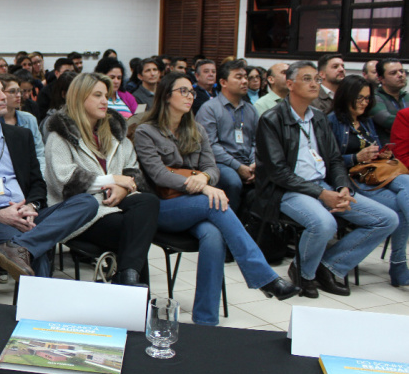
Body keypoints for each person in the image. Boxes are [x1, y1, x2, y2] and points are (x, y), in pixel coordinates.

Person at [134, 72, 299, 325]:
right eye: (183, 91)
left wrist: (206, 181)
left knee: (213, 235)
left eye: (192, 91)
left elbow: (213, 169)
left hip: (195, 207)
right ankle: (265, 278)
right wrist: (202, 186)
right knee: (215, 204)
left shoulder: (196, 129)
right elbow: (158, 175)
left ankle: (206, 319)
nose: (190, 96)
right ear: (166, 96)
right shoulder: (146, 131)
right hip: (163, 208)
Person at [254, 61, 398, 298]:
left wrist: (341, 187)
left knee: (386, 219)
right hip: (286, 190)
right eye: (307, 79)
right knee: (325, 223)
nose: (314, 84)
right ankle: (305, 273)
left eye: (317, 80)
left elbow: (334, 160)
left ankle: (329, 266)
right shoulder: (272, 119)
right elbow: (278, 172)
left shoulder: (319, 118)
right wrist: (322, 194)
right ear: (290, 84)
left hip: (325, 185)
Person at [0, 75, 99, 280]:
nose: (3, 96)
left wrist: (32, 207)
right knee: (36, 249)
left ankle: (22, 247)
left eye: (1, 90)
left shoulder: (20, 136)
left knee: (87, 202)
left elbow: (37, 183)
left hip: (27, 215)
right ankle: (36, 307)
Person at [44, 73, 159, 286]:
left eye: (106, 95)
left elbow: (133, 170)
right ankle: (132, 288)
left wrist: (124, 188)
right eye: (97, 95)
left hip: (115, 204)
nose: (105, 101)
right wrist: (112, 179)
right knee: (135, 234)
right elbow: (65, 181)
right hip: (80, 212)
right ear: (79, 97)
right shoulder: (59, 135)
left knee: (149, 203)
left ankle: (127, 277)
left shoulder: (114, 132)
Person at [328, 75, 409, 287]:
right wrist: (356, 157)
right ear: (347, 97)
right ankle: (399, 263)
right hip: (354, 177)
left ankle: (399, 264)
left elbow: (372, 146)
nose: (365, 103)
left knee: (407, 185)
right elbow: (330, 160)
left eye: (367, 98)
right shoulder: (332, 121)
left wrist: (380, 154)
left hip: (375, 173)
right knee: (400, 210)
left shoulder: (365, 120)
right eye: (360, 98)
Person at [195, 59, 258, 213]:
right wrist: (238, 166)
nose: (244, 81)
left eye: (245, 77)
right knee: (233, 181)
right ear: (223, 82)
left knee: (270, 180)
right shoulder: (210, 108)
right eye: (238, 77)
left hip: (247, 162)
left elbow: (257, 141)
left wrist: (253, 163)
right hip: (219, 163)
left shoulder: (250, 109)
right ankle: (227, 222)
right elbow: (210, 145)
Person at [0, 73, 45, 176]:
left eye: (19, 91)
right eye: (12, 91)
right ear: (0, 94)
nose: (18, 95)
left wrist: (40, 177)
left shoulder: (29, 119)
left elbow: (39, 153)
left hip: (31, 174)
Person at [369, 58, 408, 144]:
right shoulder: (374, 97)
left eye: (401, 71)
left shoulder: (407, 96)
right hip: (387, 151)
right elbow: (387, 120)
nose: (400, 75)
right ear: (381, 78)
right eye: (393, 73)